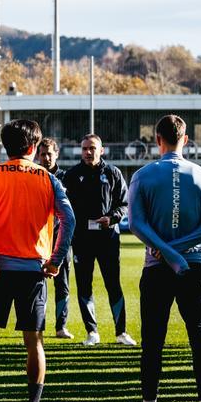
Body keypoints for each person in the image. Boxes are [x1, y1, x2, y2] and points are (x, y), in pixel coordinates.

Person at [0, 120, 74, 402]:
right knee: (34, 341)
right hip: (33, 270)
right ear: (33, 148)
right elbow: (70, 219)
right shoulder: (48, 178)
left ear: (5, 146)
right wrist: (56, 259)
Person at [123, 115, 201, 402]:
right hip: (193, 266)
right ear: (186, 140)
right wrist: (179, 249)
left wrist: (165, 249)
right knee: (200, 337)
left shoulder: (143, 174)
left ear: (157, 140)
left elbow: (136, 224)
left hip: (156, 268)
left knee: (153, 339)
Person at [62, 134, 134, 346]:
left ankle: (121, 332)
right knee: (84, 286)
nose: (88, 152)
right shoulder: (73, 175)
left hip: (108, 238)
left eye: (92, 148)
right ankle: (91, 332)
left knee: (113, 284)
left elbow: (124, 203)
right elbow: (64, 207)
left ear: (101, 150)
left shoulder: (112, 173)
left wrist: (111, 218)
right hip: (82, 240)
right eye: (84, 148)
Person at [37, 137, 73, 338]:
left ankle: (61, 327)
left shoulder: (66, 178)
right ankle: (37, 324)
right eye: (43, 154)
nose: (46, 157)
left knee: (62, 283)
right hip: (39, 240)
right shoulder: (33, 176)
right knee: (37, 284)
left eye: (50, 153)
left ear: (56, 154)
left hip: (60, 240)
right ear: (38, 155)